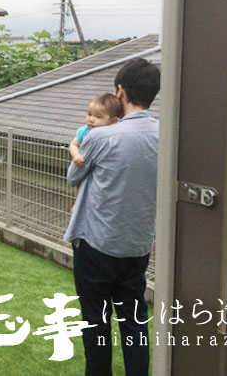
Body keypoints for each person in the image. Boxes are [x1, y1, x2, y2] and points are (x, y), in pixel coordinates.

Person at [63, 57, 160, 376]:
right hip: (138, 245)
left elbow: (73, 177)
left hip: (97, 244)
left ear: (120, 92)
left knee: (96, 320)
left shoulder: (101, 137)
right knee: (134, 320)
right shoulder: (166, 134)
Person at [68, 93, 124, 167]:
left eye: (98, 117)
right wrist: (77, 155)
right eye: (89, 114)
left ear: (113, 121)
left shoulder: (113, 135)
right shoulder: (84, 130)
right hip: (84, 165)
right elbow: (73, 144)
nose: (91, 119)